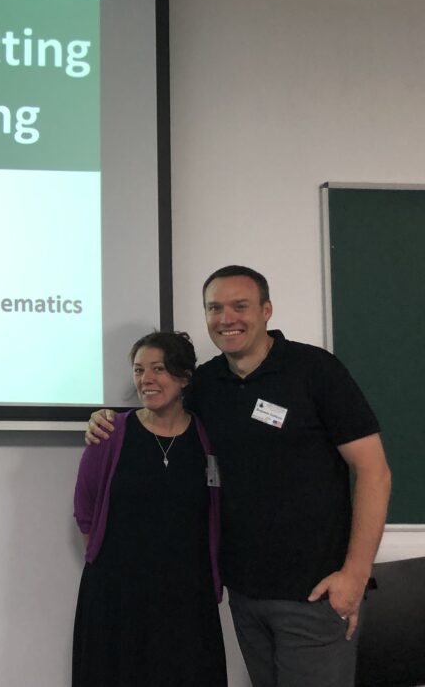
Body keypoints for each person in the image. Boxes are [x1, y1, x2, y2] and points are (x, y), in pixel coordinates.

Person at [87, 265, 392, 687]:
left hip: (316, 595)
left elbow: (373, 470)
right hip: (245, 597)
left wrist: (355, 575)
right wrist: (104, 418)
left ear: (266, 310)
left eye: (240, 306)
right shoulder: (207, 384)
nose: (226, 318)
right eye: (215, 308)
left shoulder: (315, 371)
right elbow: (158, 405)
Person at [72, 331, 227, 686]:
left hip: (187, 597)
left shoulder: (207, 437)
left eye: (159, 369)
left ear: (185, 377)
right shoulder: (110, 433)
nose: (147, 379)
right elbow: (85, 512)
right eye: (139, 370)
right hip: (117, 596)